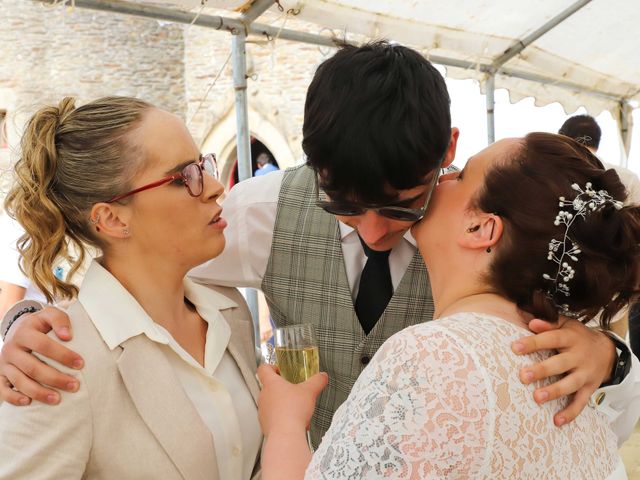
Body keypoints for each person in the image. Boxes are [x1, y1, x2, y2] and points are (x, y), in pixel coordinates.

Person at [1, 42, 637, 448]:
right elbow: (112, 249)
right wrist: (22, 318)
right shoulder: (257, 213)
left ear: (447, 149)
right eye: (342, 207)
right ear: (314, 169)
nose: (372, 230)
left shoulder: (500, 230)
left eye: (400, 205)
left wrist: (610, 355)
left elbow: (590, 370)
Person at [257, 133, 640, 479]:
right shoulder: (563, 367)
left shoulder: (430, 356)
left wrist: (285, 425)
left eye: (462, 176)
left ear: (480, 229)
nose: (442, 178)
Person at [0, 96, 262, 479]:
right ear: (111, 218)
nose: (214, 186)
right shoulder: (60, 361)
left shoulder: (228, 309)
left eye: (203, 165)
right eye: (184, 176)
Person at [559, 114, 640, 341]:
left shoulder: (553, 176)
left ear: (561, 137)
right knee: (617, 361)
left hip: (565, 296)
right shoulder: (627, 177)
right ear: (598, 142)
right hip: (615, 295)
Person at [0, 212, 48, 320]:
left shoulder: (15, 226)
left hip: (30, 323)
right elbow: (7, 309)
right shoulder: (19, 226)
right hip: (28, 325)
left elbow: (7, 309)